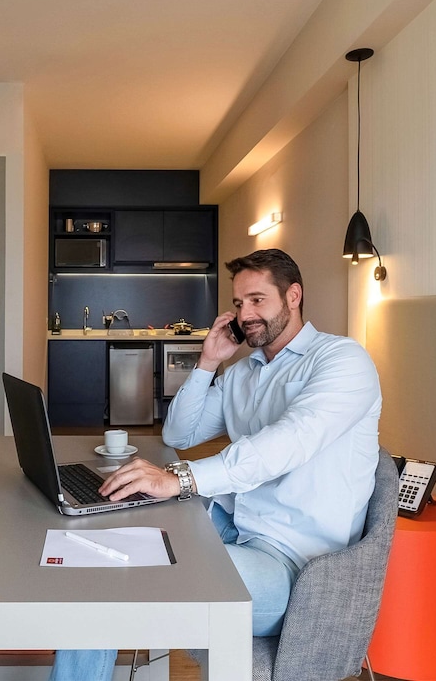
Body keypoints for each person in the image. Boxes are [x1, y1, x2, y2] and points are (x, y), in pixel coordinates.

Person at [49, 248, 382, 681]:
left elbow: (287, 442)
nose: (245, 315)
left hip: (294, 566)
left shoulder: (342, 360)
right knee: (108, 542)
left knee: (112, 580)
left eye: (257, 300)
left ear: (293, 296)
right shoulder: (245, 372)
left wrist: (181, 478)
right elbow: (178, 434)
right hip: (233, 526)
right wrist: (208, 361)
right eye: (239, 303)